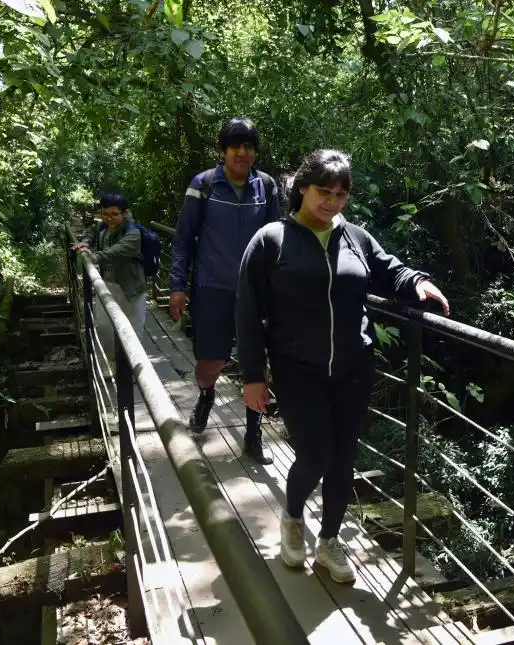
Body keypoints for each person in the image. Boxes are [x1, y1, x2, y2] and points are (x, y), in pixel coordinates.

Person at [236, 149, 450, 584]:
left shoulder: (356, 238)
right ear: (302, 188)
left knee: (343, 459)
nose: (332, 202)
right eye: (324, 192)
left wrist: (417, 282)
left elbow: (389, 270)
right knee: (316, 454)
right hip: (298, 369)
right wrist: (253, 375)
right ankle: (293, 517)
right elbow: (247, 311)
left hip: (354, 368)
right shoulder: (271, 240)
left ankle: (329, 540)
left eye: (340, 194)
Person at [169, 116, 280, 465]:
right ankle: (206, 394)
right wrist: (177, 287)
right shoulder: (203, 185)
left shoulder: (267, 187)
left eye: (248, 147)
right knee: (209, 363)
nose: (242, 153)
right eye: (235, 146)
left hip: (254, 294)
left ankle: (253, 434)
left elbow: (277, 241)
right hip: (211, 288)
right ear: (222, 150)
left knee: (256, 364)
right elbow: (183, 240)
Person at [71, 191, 146, 367]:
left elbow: (117, 251)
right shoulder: (102, 227)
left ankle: (133, 370)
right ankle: (113, 364)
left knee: (133, 332)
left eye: (114, 214)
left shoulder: (133, 233)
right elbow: (92, 231)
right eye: (105, 214)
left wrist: (95, 257)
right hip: (107, 286)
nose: (108, 218)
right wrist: (86, 241)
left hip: (131, 289)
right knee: (104, 329)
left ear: (125, 213)